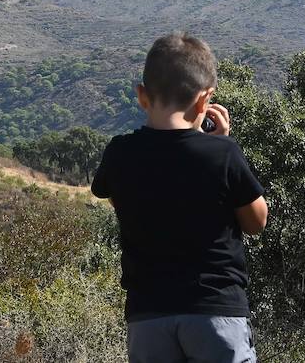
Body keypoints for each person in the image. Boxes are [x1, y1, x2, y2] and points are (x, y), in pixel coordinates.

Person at [91, 32, 269, 363]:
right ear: (206, 101)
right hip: (215, 309)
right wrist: (222, 144)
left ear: (142, 96)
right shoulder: (222, 155)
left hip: (148, 315)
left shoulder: (119, 155)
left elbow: (122, 203)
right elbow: (256, 222)